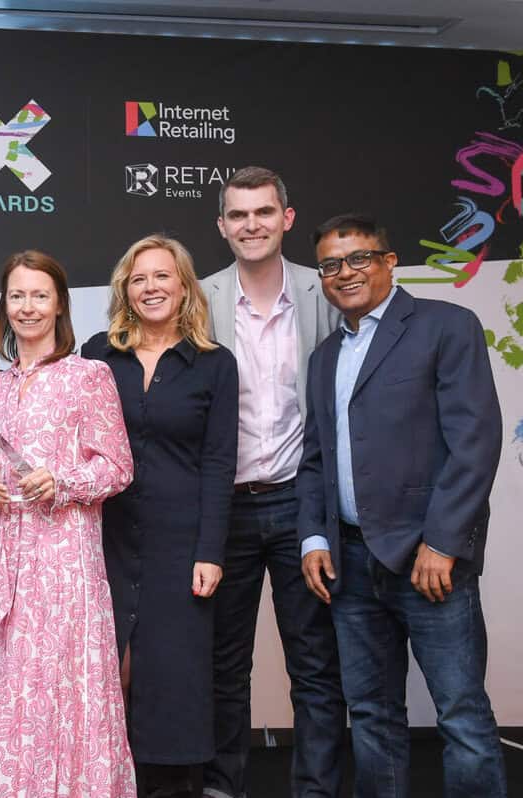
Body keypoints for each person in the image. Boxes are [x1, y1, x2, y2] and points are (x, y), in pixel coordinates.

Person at [298, 213, 508, 798]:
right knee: (371, 714)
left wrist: (443, 542)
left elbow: (475, 443)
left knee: (461, 715)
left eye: (359, 258)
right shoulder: (324, 357)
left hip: (429, 560)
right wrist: (314, 538)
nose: (345, 272)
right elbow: (315, 458)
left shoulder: (446, 326)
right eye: (330, 265)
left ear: (389, 262)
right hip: (349, 566)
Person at [0, 250, 137, 797]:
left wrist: (62, 481)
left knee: (56, 687)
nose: (27, 307)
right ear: (4, 306)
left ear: (59, 305)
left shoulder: (88, 376)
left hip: (62, 566)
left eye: (39, 295)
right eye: (17, 296)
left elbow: (118, 466)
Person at [199, 167, 345, 798]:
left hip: (300, 502)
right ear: (222, 226)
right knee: (223, 666)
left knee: (314, 666)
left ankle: (316, 789)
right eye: (238, 214)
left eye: (263, 212)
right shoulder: (198, 298)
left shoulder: (325, 291)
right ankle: (221, 787)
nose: (251, 224)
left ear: (287, 218)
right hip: (223, 508)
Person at [83, 235, 238, 798]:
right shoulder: (98, 354)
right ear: (125, 289)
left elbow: (219, 463)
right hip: (106, 537)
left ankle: (170, 789)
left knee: (173, 678)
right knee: (110, 671)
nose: (150, 287)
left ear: (184, 286)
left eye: (162, 276)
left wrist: (210, 551)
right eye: (139, 278)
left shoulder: (215, 364)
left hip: (181, 543)